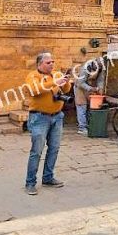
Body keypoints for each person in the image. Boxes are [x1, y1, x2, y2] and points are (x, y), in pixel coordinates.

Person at [24, 52, 70, 195]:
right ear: (40, 64)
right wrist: (54, 82)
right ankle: (30, 182)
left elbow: (66, 90)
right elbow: (34, 90)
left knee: (54, 149)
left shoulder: (56, 74)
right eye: (48, 62)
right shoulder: (32, 76)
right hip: (39, 118)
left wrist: (66, 81)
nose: (51, 64)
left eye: (52, 62)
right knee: (36, 151)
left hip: (57, 117)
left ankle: (48, 177)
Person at [73, 59, 102, 135]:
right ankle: (82, 128)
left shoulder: (101, 68)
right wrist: (91, 88)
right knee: (82, 106)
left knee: (90, 107)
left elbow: (100, 80)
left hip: (89, 87)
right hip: (80, 88)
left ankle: (89, 125)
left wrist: (100, 88)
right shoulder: (85, 68)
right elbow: (80, 83)